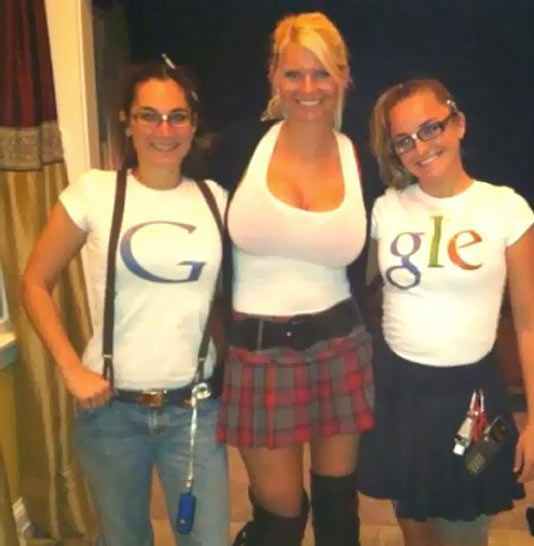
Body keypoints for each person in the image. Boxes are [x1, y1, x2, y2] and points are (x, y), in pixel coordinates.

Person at [20, 60, 229, 545]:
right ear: (127, 122)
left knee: (208, 538)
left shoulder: (215, 199)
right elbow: (34, 281)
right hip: (112, 410)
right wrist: (71, 367)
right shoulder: (94, 192)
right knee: (124, 538)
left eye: (177, 116)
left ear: (193, 124)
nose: (163, 130)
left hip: (194, 410)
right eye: (148, 116)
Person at [357, 78, 534, 546]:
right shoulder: (386, 210)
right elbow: (352, 287)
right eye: (404, 140)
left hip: (472, 400)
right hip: (398, 395)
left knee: (464, 534)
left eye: (431, 129)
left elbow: (532, 322)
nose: (420, 147)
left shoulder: (506, 209)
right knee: (416, 531)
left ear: (458, 123)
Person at [209, 12, 378, 546]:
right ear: (273, 77)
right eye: (294, 73)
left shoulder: (363, 160)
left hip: (341, 346)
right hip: (258, 353)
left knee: (338, 509)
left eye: (322, 72)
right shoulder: (238, 148)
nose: (309, 87)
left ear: (343, 76)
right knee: (279, 519)